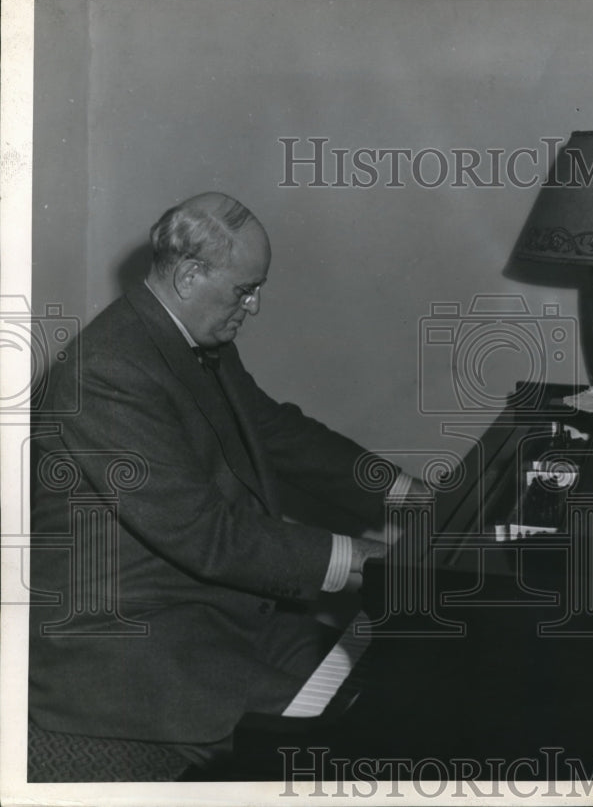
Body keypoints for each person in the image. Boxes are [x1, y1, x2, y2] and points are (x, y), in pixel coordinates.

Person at [29, 193, 414, 781]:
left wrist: (407, 492)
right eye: (245, 289)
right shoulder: (106, 371)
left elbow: (276, 432)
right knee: (334, 749)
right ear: (189, 275)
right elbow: (208, 536)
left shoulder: (186, 338)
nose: (254, 306)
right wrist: (363, 560)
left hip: (210, 605)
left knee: (382, 693)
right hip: (124, 637)